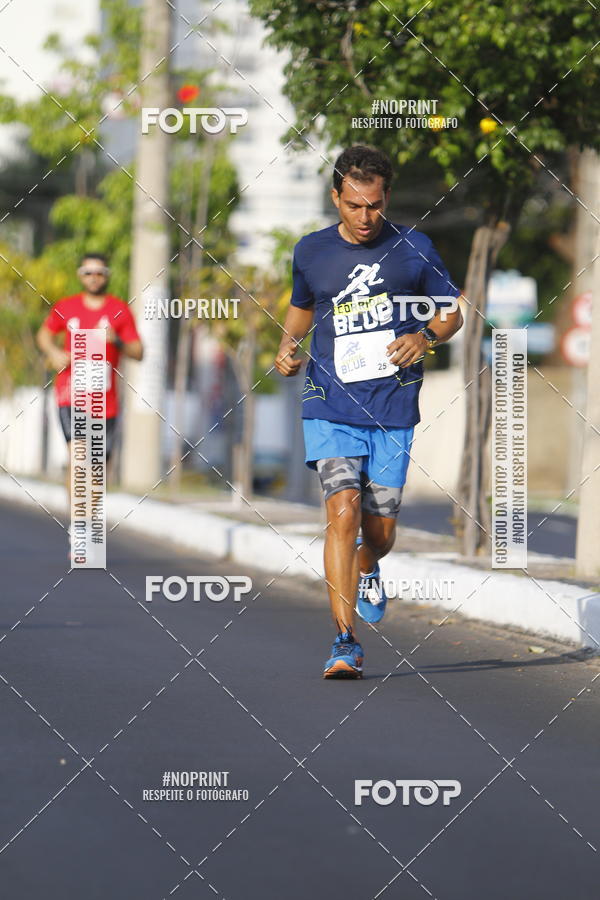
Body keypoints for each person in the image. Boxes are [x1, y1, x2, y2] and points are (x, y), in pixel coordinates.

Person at [275, 146, 463, 679]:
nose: (365, 217)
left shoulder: (414, 248)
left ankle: (368, 564)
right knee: (342, 512)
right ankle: (345, 641)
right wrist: (287, 347)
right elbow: (302, 307)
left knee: (378, 534)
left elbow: (451, 313)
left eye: (375, 206)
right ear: (335, 197)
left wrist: (425, 337)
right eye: (354, 205)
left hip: (392, 408)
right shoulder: (311, 251)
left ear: (387, 198)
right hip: (329, 403)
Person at [36, 253, 143, 551]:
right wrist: (54, 353)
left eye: (99, 273)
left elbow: (138, 351)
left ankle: (87, 519)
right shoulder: (65, 307)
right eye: (88, 272)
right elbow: (44, 335)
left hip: (104, 401)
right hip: (70, 394)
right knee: (79, 458)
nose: (93, 278)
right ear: (80, 275)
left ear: (107, 275)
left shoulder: (119, 310)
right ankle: (78, 524)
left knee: (96, 470)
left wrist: (115, 340)